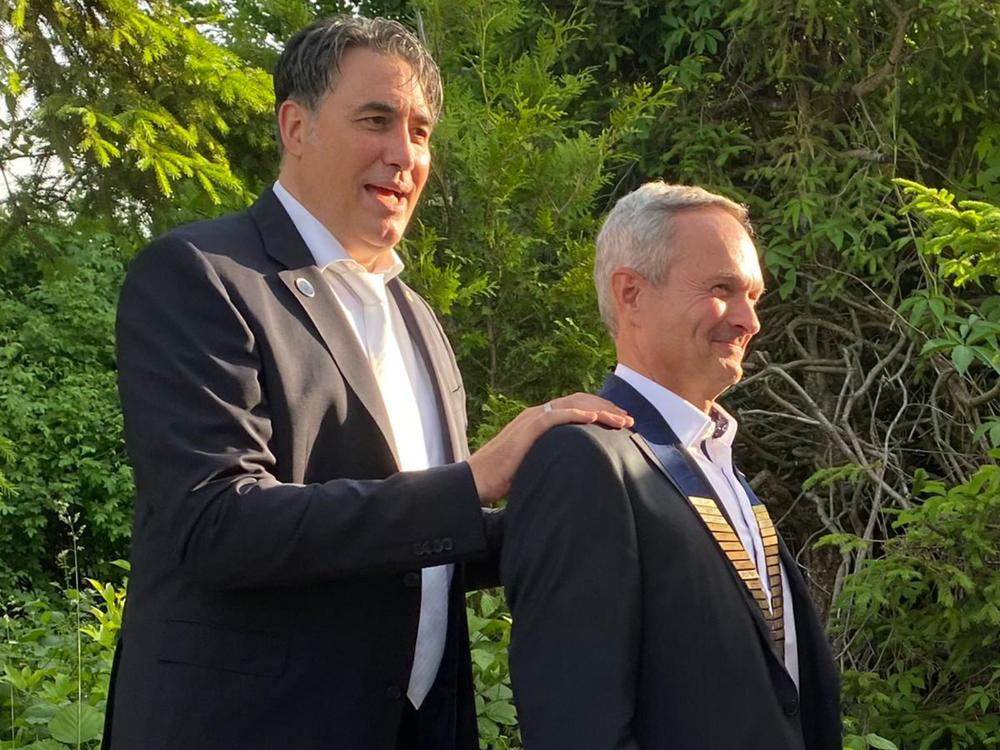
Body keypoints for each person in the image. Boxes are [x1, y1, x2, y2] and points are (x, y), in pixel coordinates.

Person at [105, 15, 629, 750]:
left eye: (419, 131)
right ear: (296, 127)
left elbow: (417, 545)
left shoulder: (418, 319)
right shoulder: (202, 276)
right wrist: (473, 480)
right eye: (376, 121)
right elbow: (219, 525)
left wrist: (577, 513)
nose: (403, 154)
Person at [501, 182, 842, 750]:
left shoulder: (718, 464)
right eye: (722, 289)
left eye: (753, 295)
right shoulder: (585, 462)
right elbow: (576, 727)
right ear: (631, 293)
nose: (749, 320)